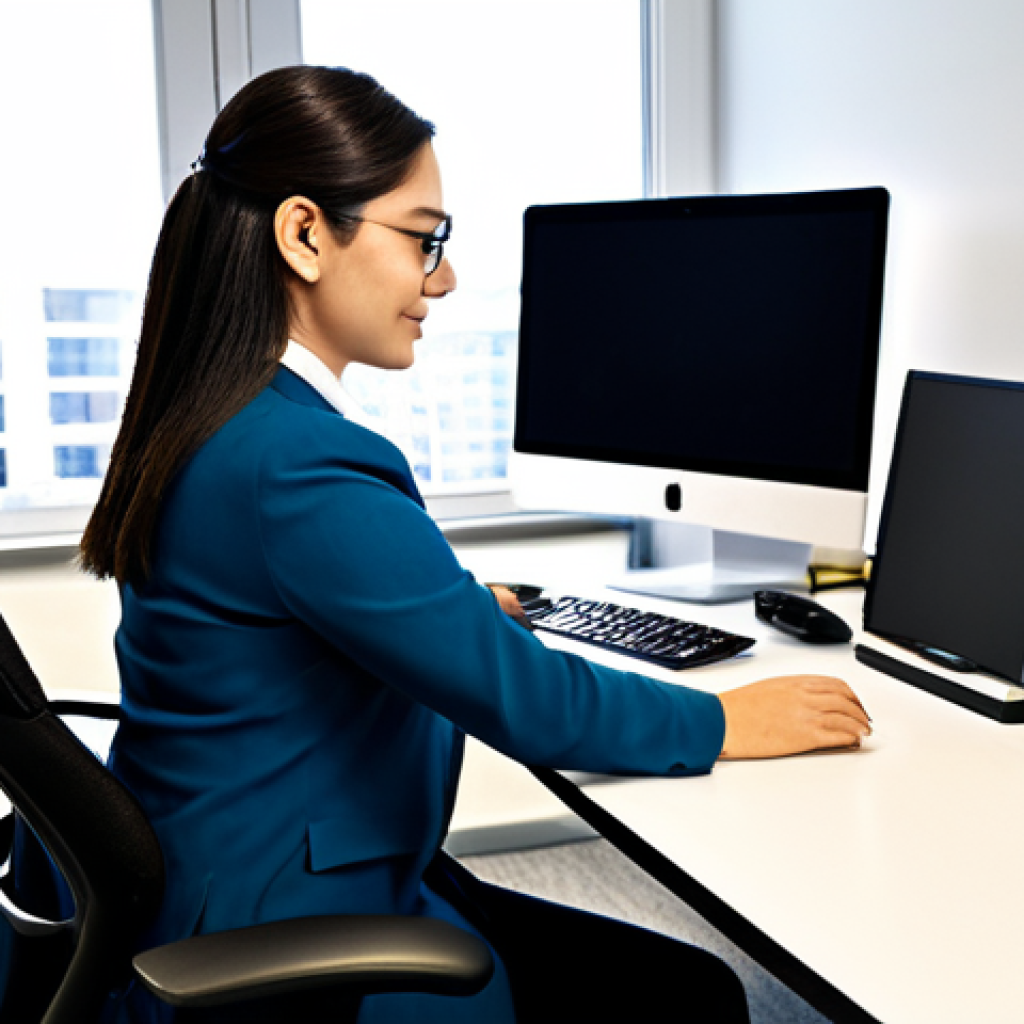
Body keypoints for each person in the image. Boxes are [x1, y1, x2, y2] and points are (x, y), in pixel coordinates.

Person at [79, 65, 871, 1024]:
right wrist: (727, 722)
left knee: (683, 982)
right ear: (303, 235)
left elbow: (296, 621)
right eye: (424, 239)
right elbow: (528, 703)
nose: (443, 278)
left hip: (232, 878)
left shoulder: (219, 417)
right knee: (694, 997)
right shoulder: (295, 462)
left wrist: (454, 613)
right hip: (287, 936)